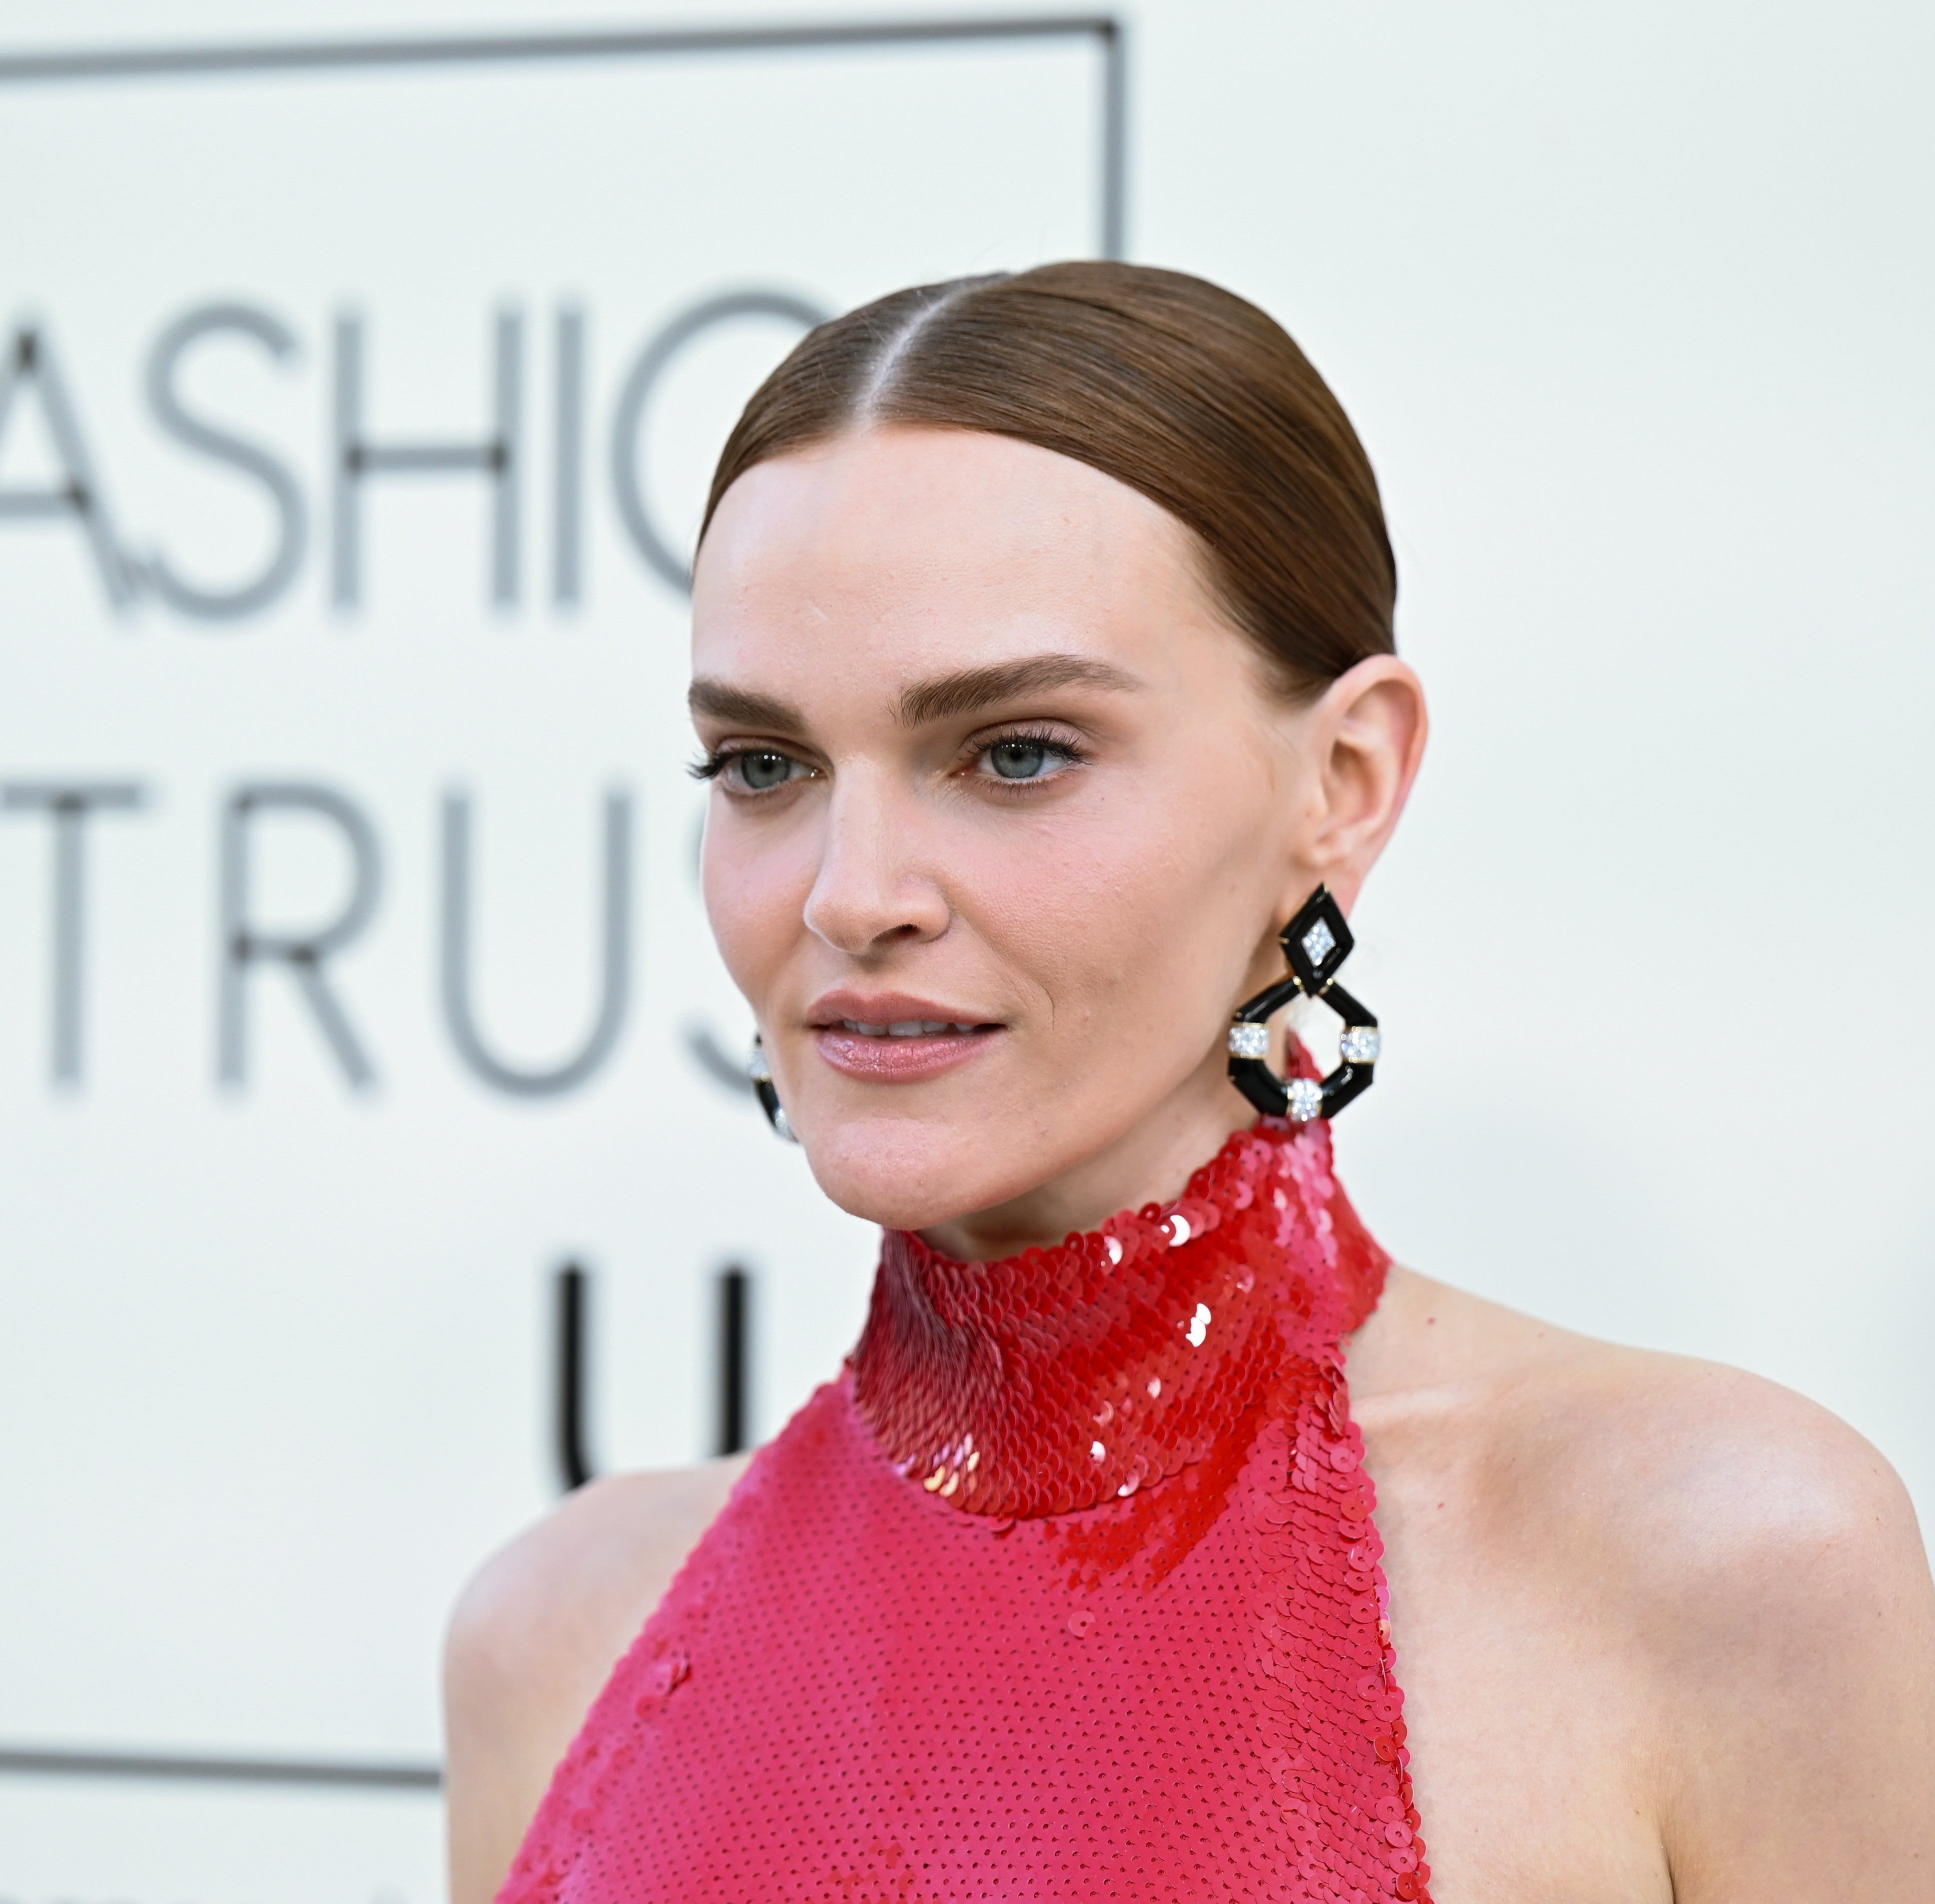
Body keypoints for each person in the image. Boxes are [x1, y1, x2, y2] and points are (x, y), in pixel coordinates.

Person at [444, 262, 1935, 1902]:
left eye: (1016, 751)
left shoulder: (1714, 1561)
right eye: (763, 765)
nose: (846, 891)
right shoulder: (555, 1631)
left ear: (1343, 781)